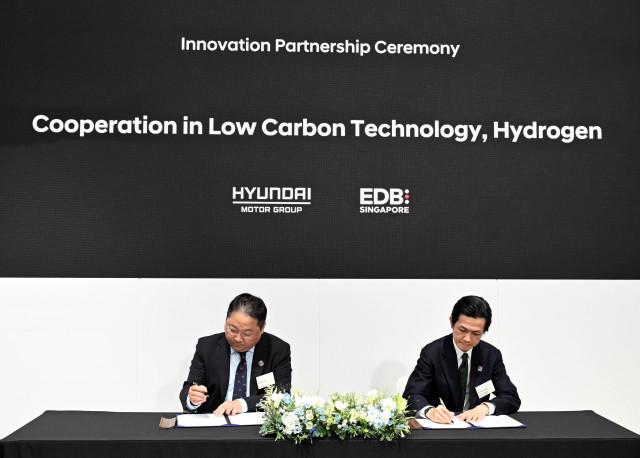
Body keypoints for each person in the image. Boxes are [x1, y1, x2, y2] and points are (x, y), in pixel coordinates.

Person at [403, 295, 520, 423]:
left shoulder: (491, 355)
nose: (467, 339)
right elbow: (412, 394)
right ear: (451, 322)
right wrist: (429, 411)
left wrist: (485, 408)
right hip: (442, 426)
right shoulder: (432, 352)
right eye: (462, 330)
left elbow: (510, 397)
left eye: (476, 333)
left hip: (476, 425)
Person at [179, 293, 292, 415]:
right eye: (233, 330)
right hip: (215, 420)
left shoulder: (277, 350)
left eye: (247, 334)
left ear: (262, 328)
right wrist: (192, 398)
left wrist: (242, 404)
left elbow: (281, 395)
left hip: (256, 422)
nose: (238, 338)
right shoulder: (207, 347)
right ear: (226, 321)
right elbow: (189, 388)